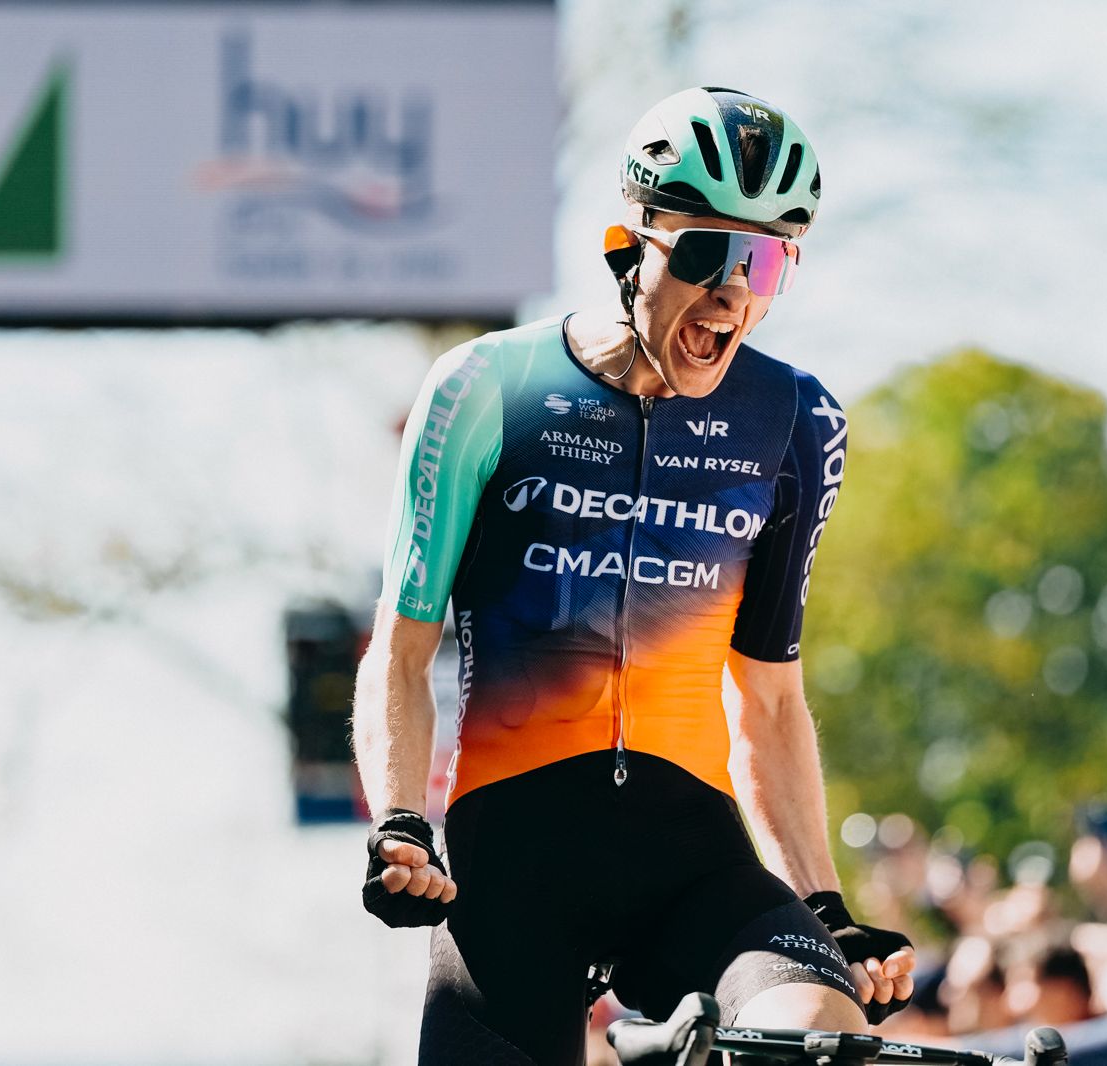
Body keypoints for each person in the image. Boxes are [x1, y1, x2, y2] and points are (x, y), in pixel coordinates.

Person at [350, 86, 916, 1065]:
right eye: (706, 253)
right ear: (631, 242)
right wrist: (400, 821)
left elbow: (769, 699)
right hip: (514, 870)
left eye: (765, 261)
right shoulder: (487, 388)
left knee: (820, 1043)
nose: (732, 292)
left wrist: (824, 906)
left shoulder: (794, 423)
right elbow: (400, 655)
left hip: (692, 866)